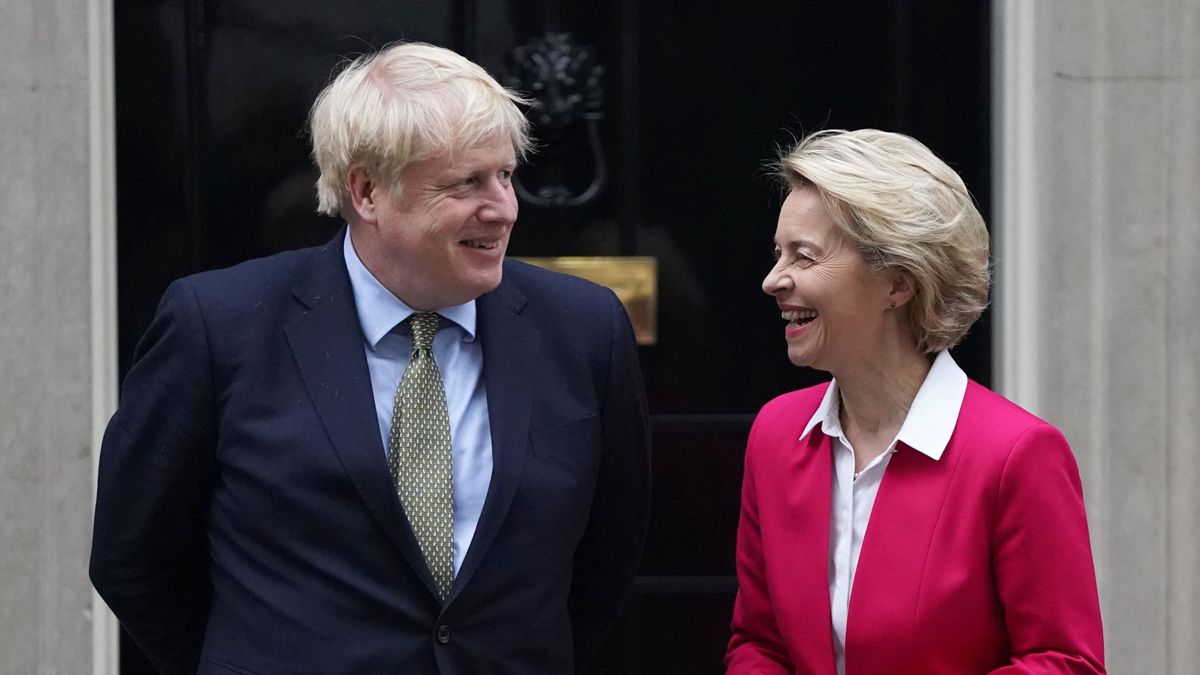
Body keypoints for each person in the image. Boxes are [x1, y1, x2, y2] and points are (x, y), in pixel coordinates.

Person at [90, 42, 650, 675]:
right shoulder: (218, 325)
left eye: (505, 175)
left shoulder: (583, 328)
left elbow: (611, 553)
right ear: (366, 191)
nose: (505, 208)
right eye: (467, 182)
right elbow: (132, 555)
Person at [725, 129, 1104, 674]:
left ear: (897, 284)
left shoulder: (1016, 455)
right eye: (778, 254)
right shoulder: (776, 434)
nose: (772, 280)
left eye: (803, 258)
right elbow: (758, 644)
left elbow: (1065, 662)